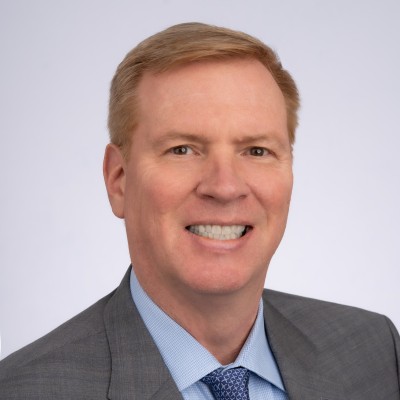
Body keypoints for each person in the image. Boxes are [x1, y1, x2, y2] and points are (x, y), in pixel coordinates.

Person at [0, 22, 399, 400]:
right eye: (182, 150)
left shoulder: (374, 351)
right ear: (118, 179)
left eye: (256, 150)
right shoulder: (25, 390)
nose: (225, 187)